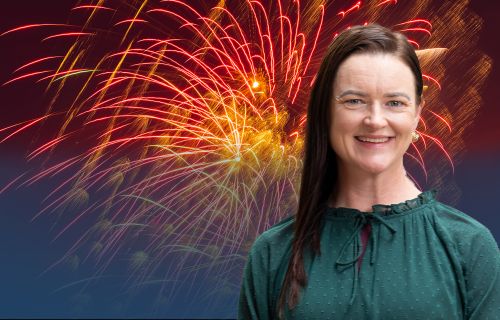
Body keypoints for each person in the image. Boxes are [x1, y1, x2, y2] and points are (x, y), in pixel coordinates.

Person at [237, 24, 500, 319]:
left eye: (395, 103)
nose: (375, 120)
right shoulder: (272, 252)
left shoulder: (471, 247)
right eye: (354, 101)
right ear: (325, 111)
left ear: (417, 114)